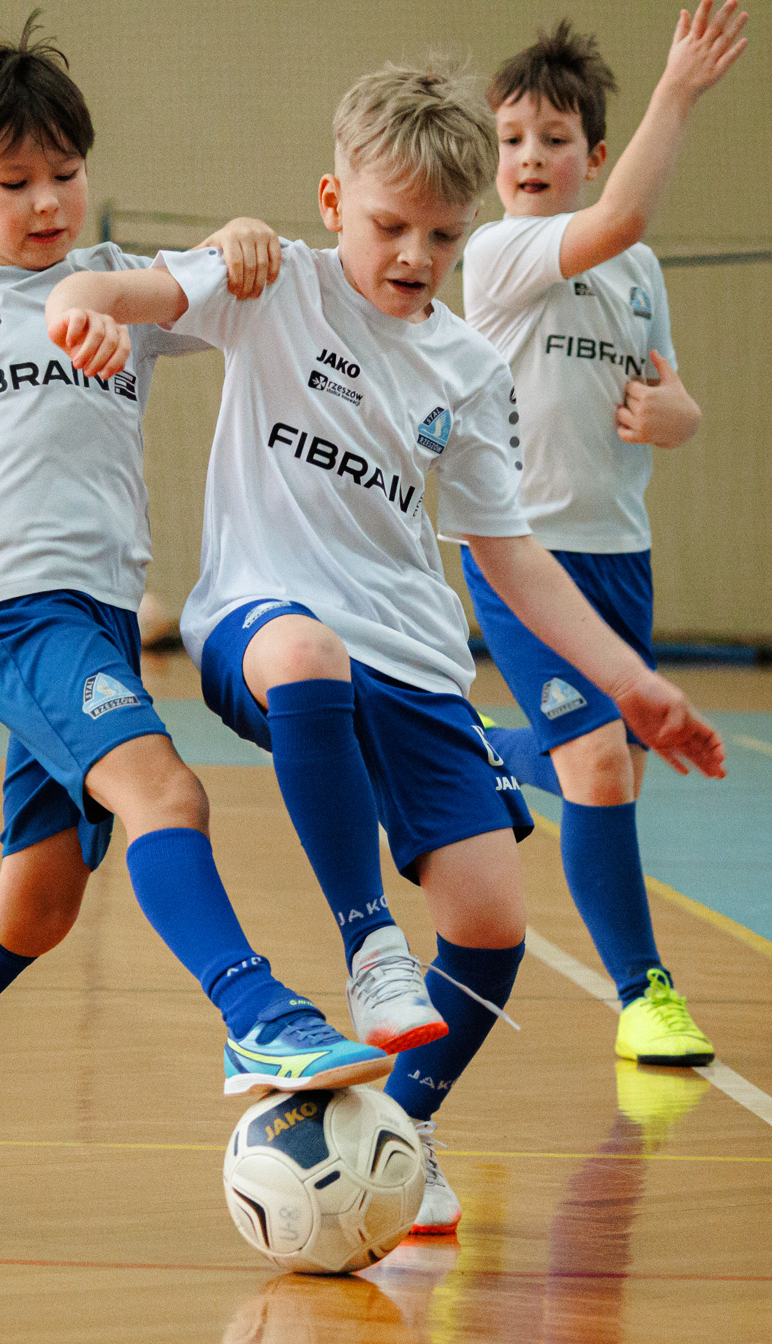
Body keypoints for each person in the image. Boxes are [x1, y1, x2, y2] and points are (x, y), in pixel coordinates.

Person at [45, 59, 725, 1232]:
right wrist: (86, 307)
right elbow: (119, 287)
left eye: (442, 236)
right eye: (388, 226)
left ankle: (401, 1136)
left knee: (491, 923)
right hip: (260, 619)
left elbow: (507, 551)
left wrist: (631, 683)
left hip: (413, 655)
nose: (414, 255)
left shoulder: (467, 367)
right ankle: (368, 947)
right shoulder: (270, 280)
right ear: (331, 202)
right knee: (307, 654)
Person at [0, 18, 399, 1208]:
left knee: (36, 906)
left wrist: (238, 235)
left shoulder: (122, 284)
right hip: (10, 620)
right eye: (13, 182)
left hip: (102, 617)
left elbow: (234, 283)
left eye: (64, 174)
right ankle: (254, 1013)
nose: (46, 202)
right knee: (166, 791)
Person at [460, 1, 747, 1066]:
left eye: (552, 138)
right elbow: (621, 217)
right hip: (520, 551)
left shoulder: (638, 273)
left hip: (618, 553)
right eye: (511, 140)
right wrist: (678, 85)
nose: (528, 157)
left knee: (608, 766)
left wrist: (679, 417)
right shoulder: (496, 252)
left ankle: (471, 750)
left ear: (592, 154)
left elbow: (671, 397)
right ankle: (643, 995)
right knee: (595, 764)